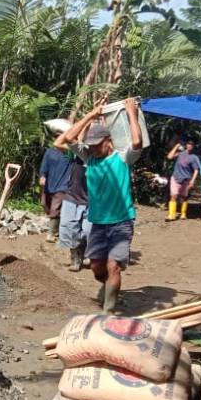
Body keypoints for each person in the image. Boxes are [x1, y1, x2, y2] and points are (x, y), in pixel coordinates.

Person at [57, 97, 143, 313]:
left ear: (109, 141)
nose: (94, 149)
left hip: (121, 222)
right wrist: (92, 115)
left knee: (114, 266)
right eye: (91, 146)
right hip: (97, 223)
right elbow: (68, 138)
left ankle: (109, 311)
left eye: (97, 145)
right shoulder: (89, 159)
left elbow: (137, 143)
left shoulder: (122, 158)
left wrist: (131, 112)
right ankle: (109, 287)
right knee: (97, 268)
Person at [37, 136, 73, 243]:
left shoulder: (70, 155)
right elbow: (44, 165)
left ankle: (51, 234)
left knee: (55, 208)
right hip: (49, 184)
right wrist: (42, 175)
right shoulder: (50, 152)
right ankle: (56, 224)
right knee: (44, 203)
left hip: (63, 185)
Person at [165, 138, 200, 221]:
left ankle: (183, 214)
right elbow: (169, 157)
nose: (189, 146)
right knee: (173, 195)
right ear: (186, 145)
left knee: (184, 197)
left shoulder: (194, 157)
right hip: (176, 177)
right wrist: (176, 146)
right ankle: (171, 215)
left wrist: (192, 181)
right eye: (188, 144)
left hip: (186, 179)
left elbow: (196, 170)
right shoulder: (180, 153)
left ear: (193, 146)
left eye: (191, 145)